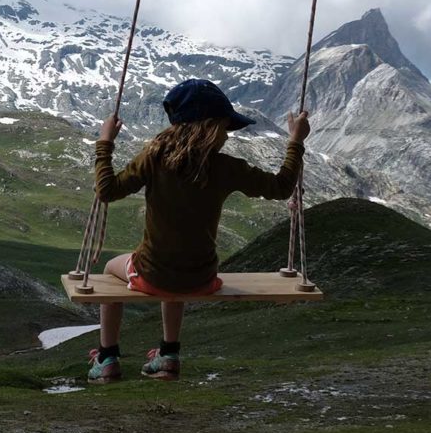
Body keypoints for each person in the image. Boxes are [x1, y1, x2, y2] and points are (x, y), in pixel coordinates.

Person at [87, 78, 310, 384]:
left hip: (152, 274)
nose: (226, 135)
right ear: (209, 127)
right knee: (176, 275)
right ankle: (169, 354)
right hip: (202, 278)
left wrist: (105, 142)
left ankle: (107, 357)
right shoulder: (226, 167)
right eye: (223, 127)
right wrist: (295, 141)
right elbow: (283, 186)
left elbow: (107, 190)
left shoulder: (154, 158)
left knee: (111, 271)